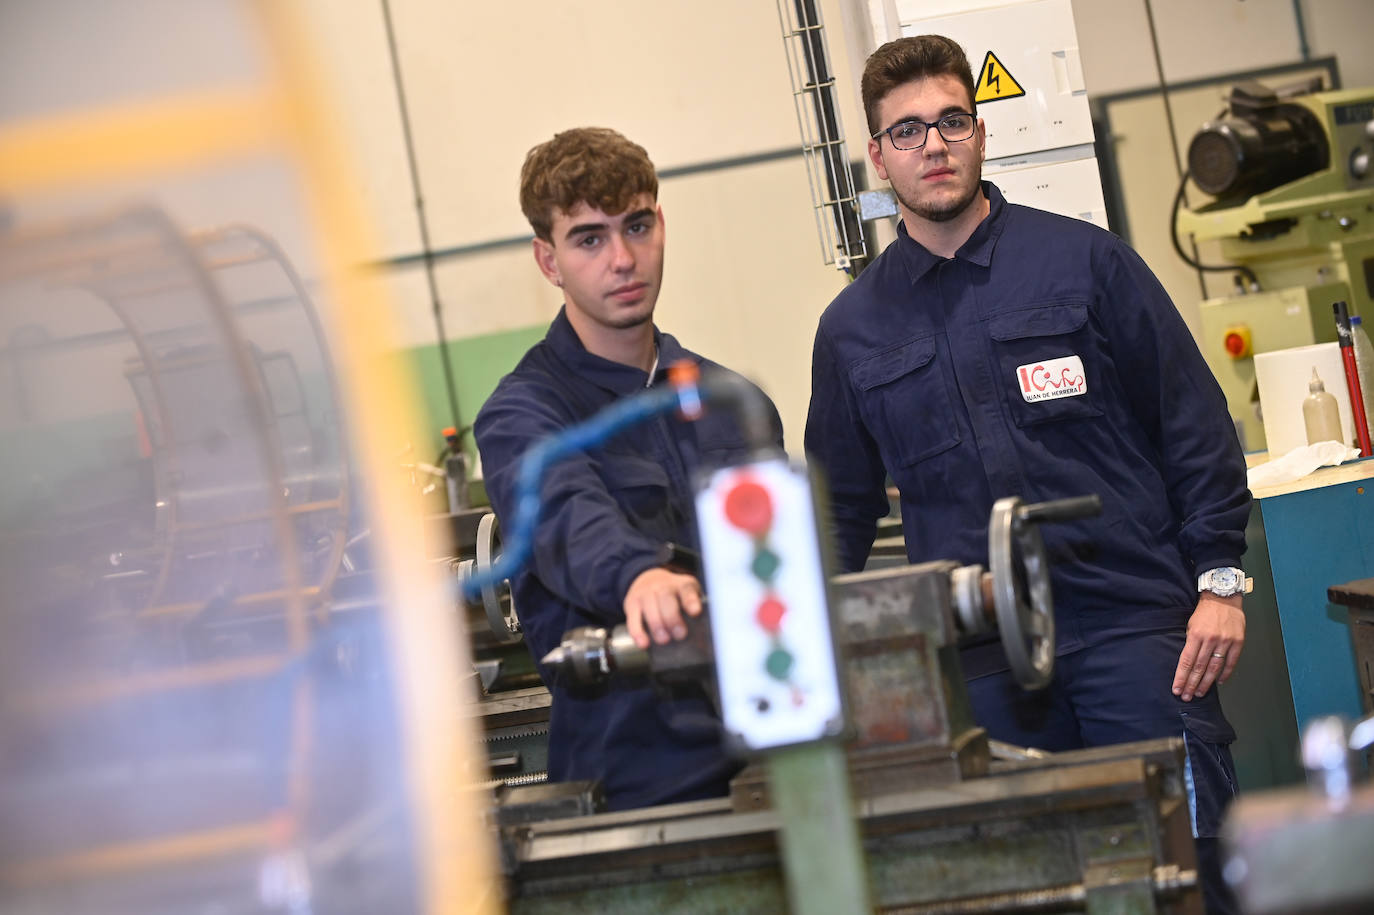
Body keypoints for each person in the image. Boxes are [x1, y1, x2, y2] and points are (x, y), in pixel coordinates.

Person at [804, 36, 1250, 913]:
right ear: (878, 157)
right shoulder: (852, 329)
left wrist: (1221, 582)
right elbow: (835, 516)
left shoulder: (1086, 262)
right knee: (1030, 892)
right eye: (907, 131)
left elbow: (1191, 424)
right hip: (979, 672)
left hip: (1135, 635)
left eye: (952, 120)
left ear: (980, 132)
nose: (934, 145)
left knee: (1187, 877)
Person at [475, 127, 783, 811]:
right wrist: (638, 574)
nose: (623, 259)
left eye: (637, 227)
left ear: (660, 226)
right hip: (635, 783)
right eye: (589, 239)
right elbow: (565, 511)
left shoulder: (733, 403)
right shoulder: (523, 415)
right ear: (549, 261)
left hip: (774, 757)